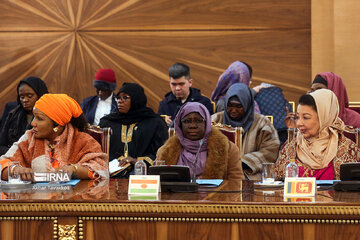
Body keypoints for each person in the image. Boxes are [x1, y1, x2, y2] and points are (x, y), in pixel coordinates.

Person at [0, 94, 109, 181]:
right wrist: (15, 170)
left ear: (57, 125)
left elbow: (101, 170)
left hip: (74, 203)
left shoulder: (83, 141)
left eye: (39, 119)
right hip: (35, 202)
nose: (33, 123)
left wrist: (74, 169)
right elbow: (3, 163)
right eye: (34, 117)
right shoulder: (29, 137)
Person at [275, 89, 360, 180]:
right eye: (298, 117)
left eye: (306, 117)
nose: (299, 123)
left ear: (324, 117)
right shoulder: (290, 148)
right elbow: (279, 185)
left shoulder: (347, 149)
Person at [157, 102, 244, 180]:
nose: (193, 126)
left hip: (215, 196)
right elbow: (158, 184)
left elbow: (237, 183)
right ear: (180, 125)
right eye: (187, 121)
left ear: (206, 123)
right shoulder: (165, 151)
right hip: (176, 197)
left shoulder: (229, 149)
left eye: (198, 121)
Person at [211, 83, 280, 180]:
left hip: (249, 173)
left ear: (247, 104)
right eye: (230, 105)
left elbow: (270, 150)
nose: (233, 110)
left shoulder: (262, 122)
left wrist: (242, 162)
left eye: (239, 106)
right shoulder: (215, 120)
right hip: (218, 172)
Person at [99, 83, 168, 178]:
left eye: (125, 97)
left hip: (144, 174)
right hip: (111, 174)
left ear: (136, 99)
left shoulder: (154, 123)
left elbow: (162, 153)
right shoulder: (108, 122)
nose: (120, 101)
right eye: (118, 97)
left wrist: (136, 161)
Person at [0, 76, 49, 155]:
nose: (25, 100)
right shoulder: (13, 114)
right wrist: (15, 154)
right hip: (11, 158)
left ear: (40, 95)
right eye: (22, 97)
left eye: (30, 96)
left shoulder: (49, 116)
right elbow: (1, 144)